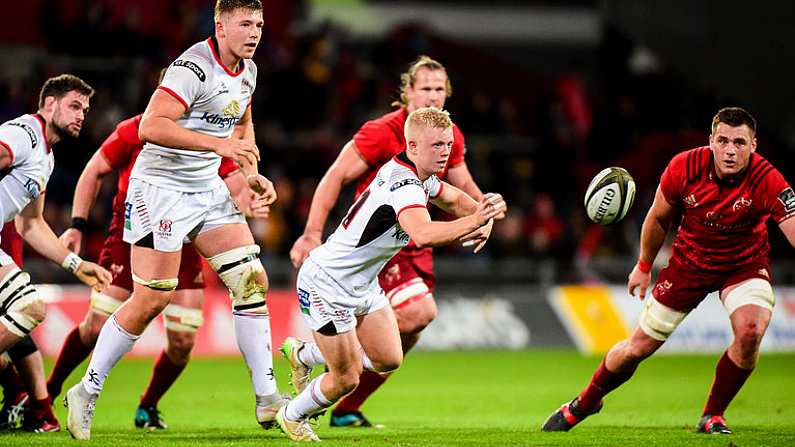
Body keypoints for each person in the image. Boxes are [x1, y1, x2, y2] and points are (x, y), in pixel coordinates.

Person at [64, 0, 285, 440]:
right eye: (245, 23)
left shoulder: (250, 70)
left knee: (251, 279)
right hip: (160, 190)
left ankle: (267, 399)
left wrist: (250, 173)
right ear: (220, 26)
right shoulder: (193, 67)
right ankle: (87, 390)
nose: (255, 32)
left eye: (259, 24)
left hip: (206, 190)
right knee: (152, 299)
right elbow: (150, 126)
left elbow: (242, 120)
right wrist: (218, 147)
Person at [542, 107, 795, 434]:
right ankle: (586, 402)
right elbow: (659, 217)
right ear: (711, 141)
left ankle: (712, 415)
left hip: (744, 264)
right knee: (636, 349)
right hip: (689, 265)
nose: (730, 150)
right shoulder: (683, 167)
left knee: (750, 332)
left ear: (754, 145)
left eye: (739, 142)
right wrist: (644, 266)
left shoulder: (768, 179)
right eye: (723, 141)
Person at [277, 107, 506, 441]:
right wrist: (474, 222)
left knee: (388, 358)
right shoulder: (404, 185)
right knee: (347, 378)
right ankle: (292, 415)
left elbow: (454, 198)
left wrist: (480, 212)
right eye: (436, 146)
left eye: (447, 144)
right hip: (327, 283)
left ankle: (303, 353)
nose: (444, 153)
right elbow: (423, 234)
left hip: (362, 284)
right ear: (412, 146)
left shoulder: (420, 176)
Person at [45, 110, 269, 430]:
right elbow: (94, 170)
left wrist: (249, 198)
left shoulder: (208, 132)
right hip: (134, 229)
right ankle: (46, 395)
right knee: (97, 324)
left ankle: (148, 405)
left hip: (191, 233)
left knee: (183, 341)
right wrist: (78, 225)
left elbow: (234, 179)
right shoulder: (136, 128)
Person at [0, 73, 112, 430]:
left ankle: (30, 403)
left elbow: (30, 225)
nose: (82, 115)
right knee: (28, 307)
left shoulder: (45, 158)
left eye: (86, 109)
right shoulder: (25, 133)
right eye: (75, 106)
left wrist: (77, 265)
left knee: (26, 311)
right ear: (50, 104)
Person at [0, 226, 60, 432]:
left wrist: (72, 262)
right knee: (13, 319)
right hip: (8, 233)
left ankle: (37, 406)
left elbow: (32, 221)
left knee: (17, 312)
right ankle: (30, 401)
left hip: (5, 235)